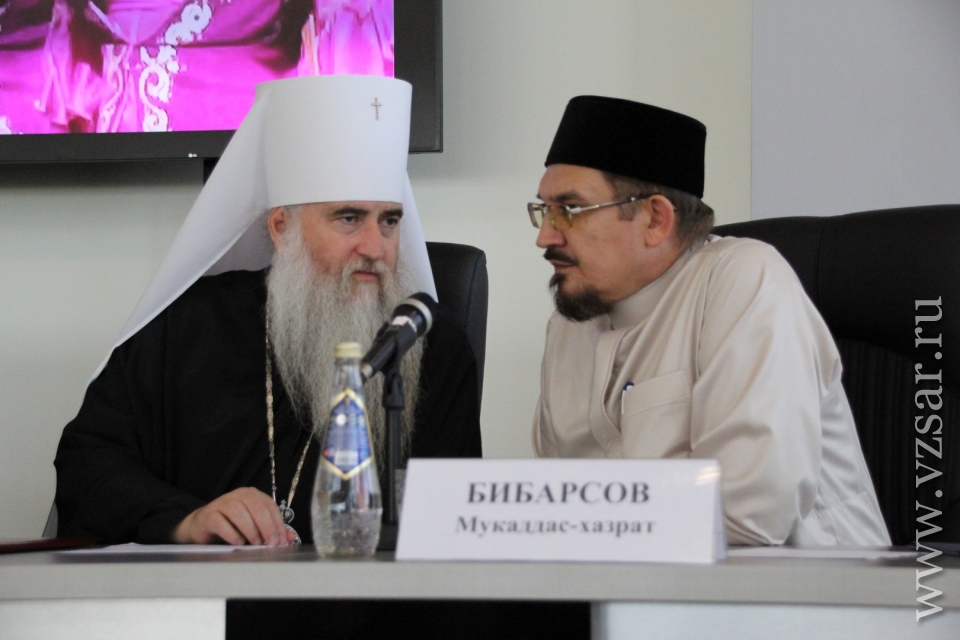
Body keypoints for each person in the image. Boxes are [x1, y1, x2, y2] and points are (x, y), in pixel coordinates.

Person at [54, 75, 481, 546]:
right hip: (200, 591)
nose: (375, 248)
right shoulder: (187, 326)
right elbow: (87, 466)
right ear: (281, 228)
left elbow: (454, 526)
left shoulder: (432, 347)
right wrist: (185, 520)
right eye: (348, 218)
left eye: (390, 221)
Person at [529, 95, 889, 546]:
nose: (545, 236)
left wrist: (574, 519)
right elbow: (546, 502)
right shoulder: (570, 323)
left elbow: (749, 515)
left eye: (569, 211)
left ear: (655, 219)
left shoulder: (743, 278)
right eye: (544, 211)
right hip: (633, 585)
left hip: (811, 585)